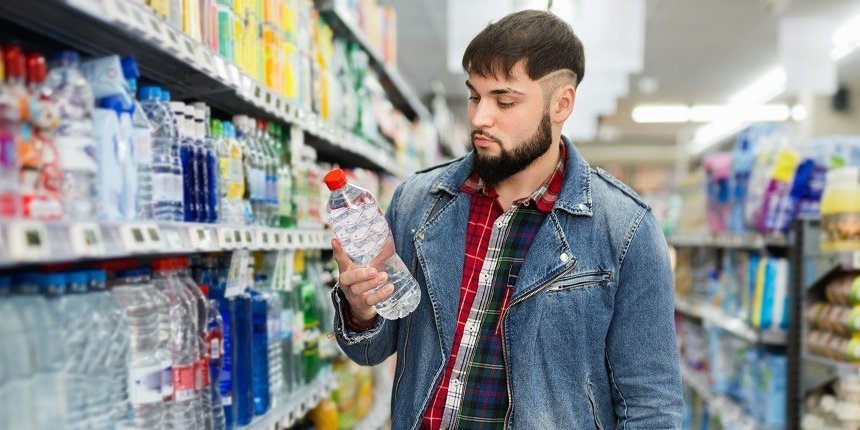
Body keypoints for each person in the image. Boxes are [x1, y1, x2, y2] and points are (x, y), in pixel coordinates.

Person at [330, 9, 684, 430]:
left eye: (504, 100)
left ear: (561, 104)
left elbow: (652, 404)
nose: (480, 118)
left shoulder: (623, 229)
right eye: (475, 96)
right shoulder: (418, 202)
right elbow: (373, 350)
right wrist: (361, 309)